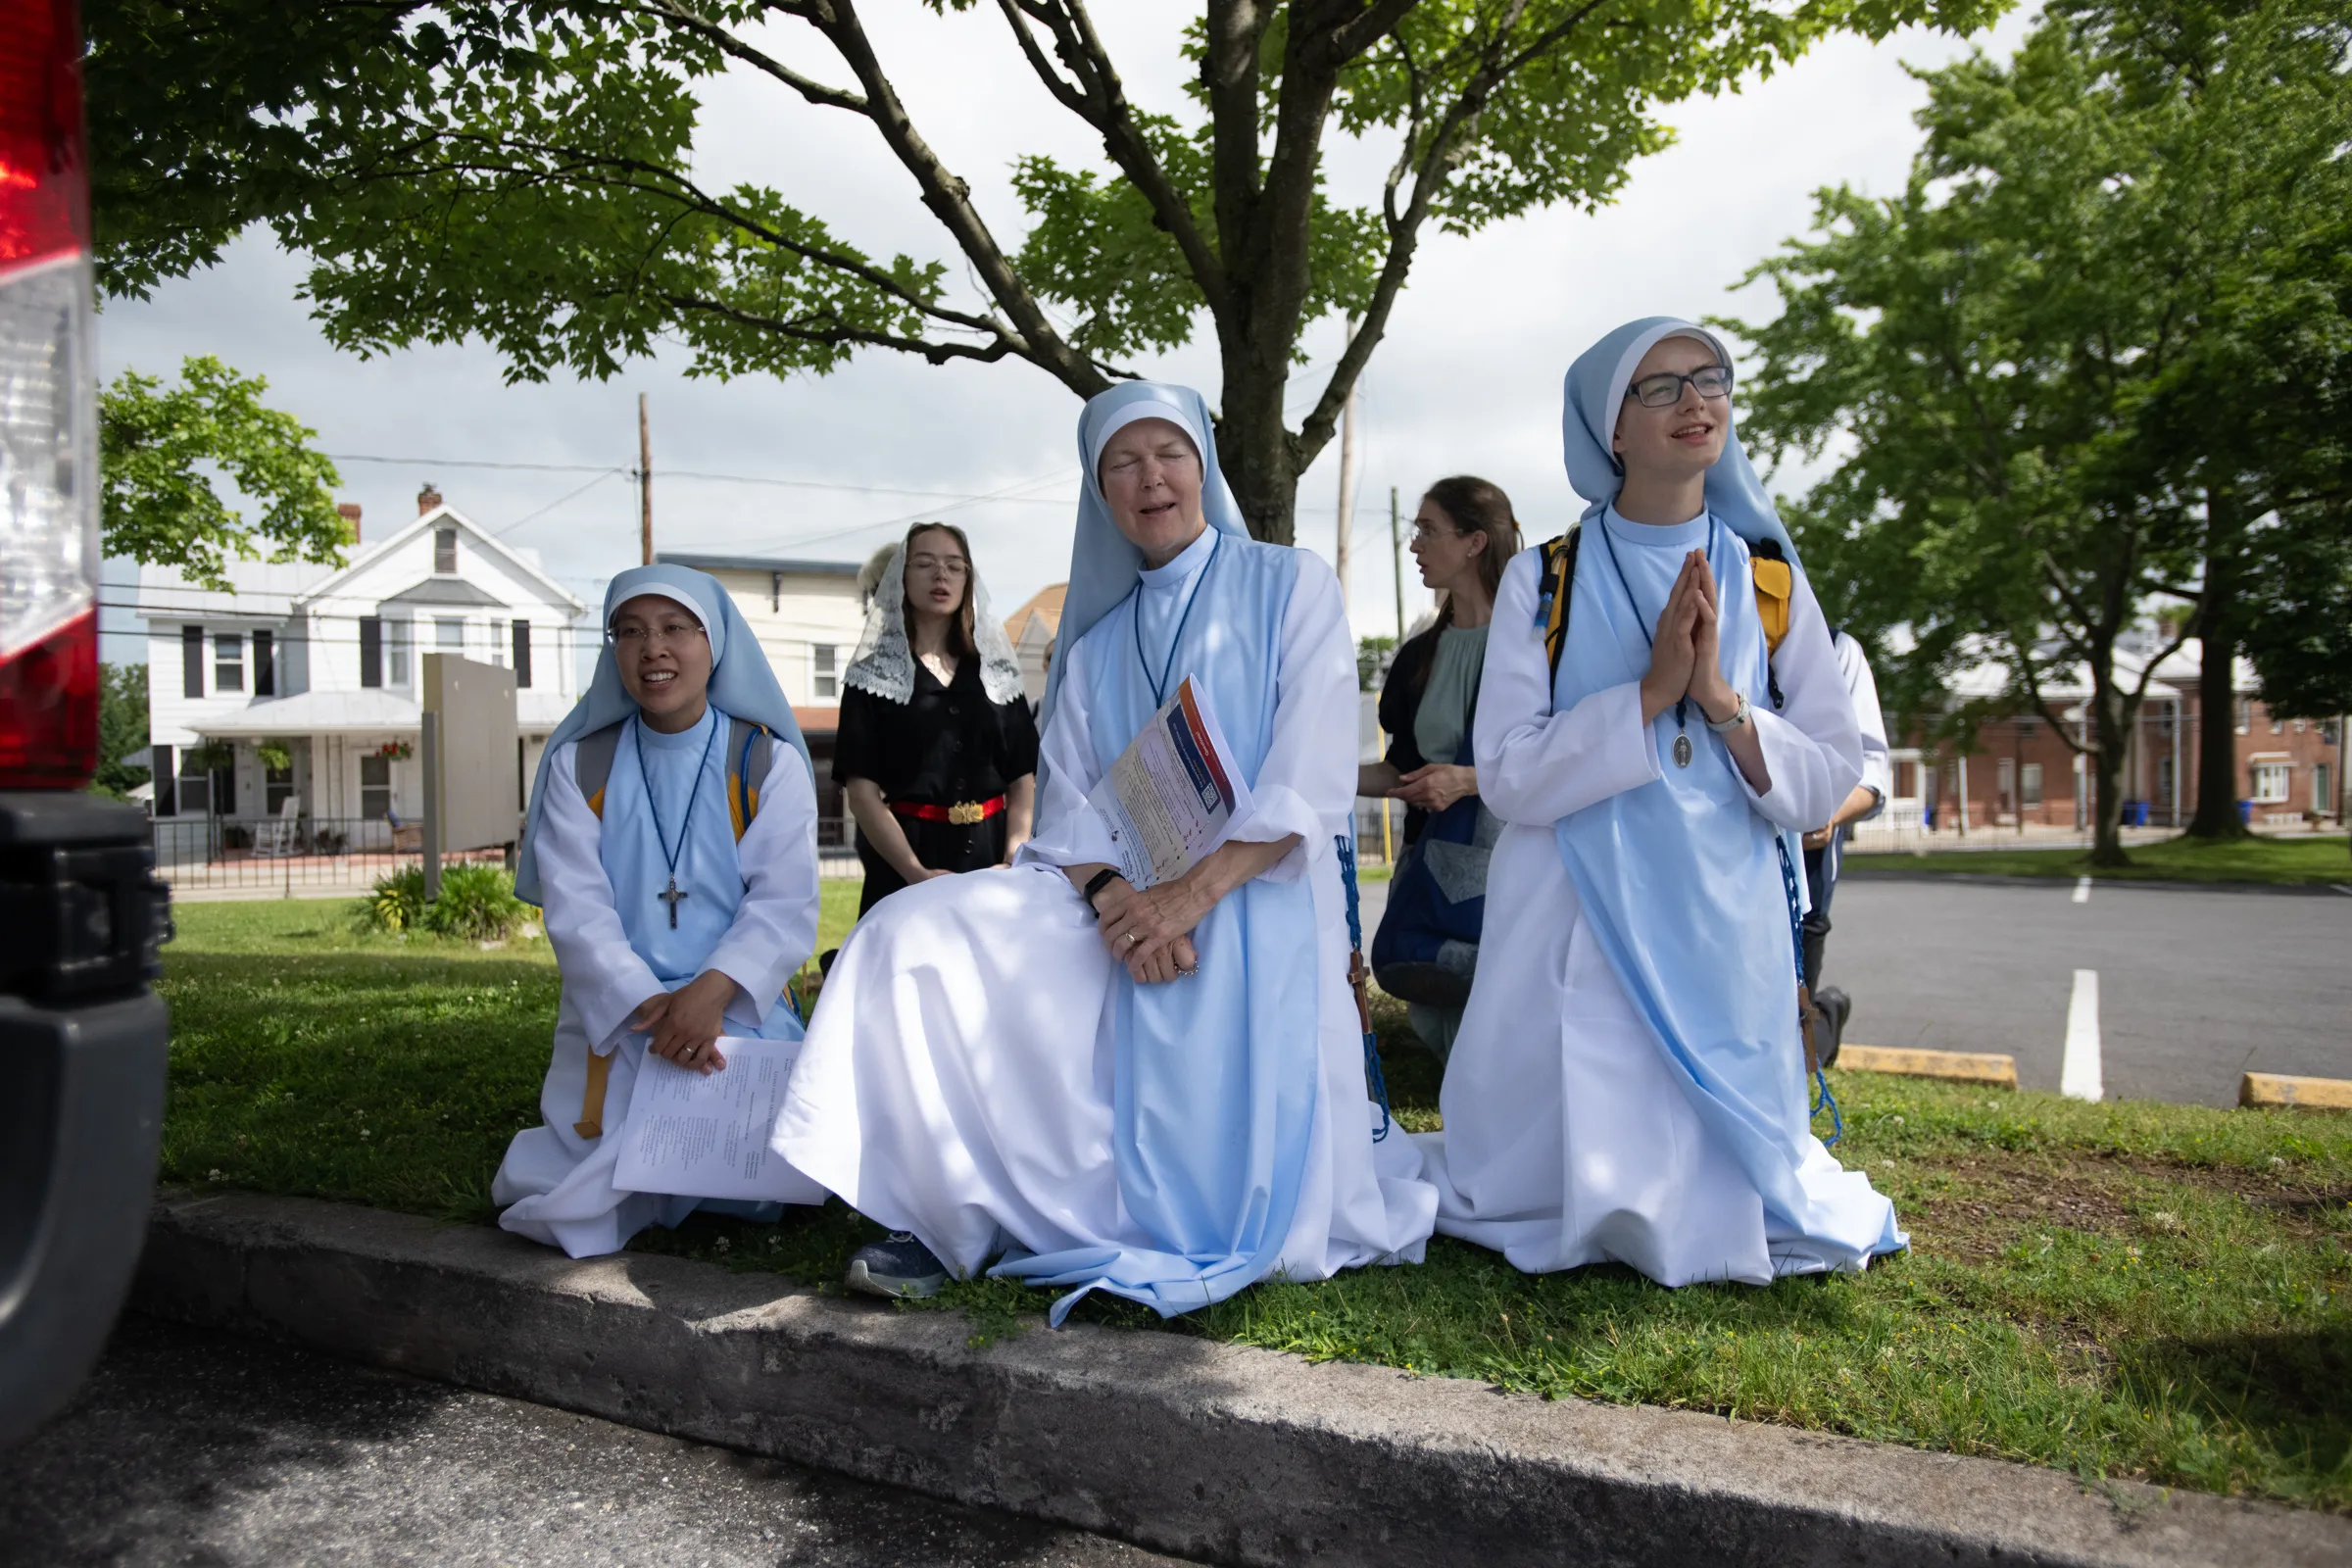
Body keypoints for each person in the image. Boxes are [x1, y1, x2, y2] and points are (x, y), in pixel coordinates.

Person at [773, 381, 1436, 1318]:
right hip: (1117, 904)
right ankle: (944, 1207)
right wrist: (1121, 900)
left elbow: (1310, 772)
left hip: (1258, 889)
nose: (1149, 478)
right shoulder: (1092, 649)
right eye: (1122, 463)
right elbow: (1070, 819)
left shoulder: (1291, 583)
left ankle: (1043, 1206)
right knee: (911, 927)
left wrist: (1188, 897)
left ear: (1201, 464)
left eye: (1167, 453)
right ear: (1100, 491)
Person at [1419, 318, 1905, 1286]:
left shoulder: (1768, 577)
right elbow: (1508, 773)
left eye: (1709, 380)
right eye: (1661, 388)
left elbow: (1825, 775)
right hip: (1574, 909)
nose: (1695, 402)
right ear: (1612, 431)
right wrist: (1646, 696)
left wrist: (1722, 702)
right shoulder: (1542, 577)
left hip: (1722, 911)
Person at [493, 565, 827, 1258]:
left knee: (773, 1165)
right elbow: (576, 908)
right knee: (588, 1169)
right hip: (620, 1012)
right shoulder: (579, 764)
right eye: (632, 632)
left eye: (676, 628)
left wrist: (709, 995)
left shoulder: (764, 761)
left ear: (716, 643)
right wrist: (647, 1001)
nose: (654, 650)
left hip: (735, 1006)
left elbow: (783, 900)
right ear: (612, 650)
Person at [1356, 477, 1520, 1061]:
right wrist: (1314, 772)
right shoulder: (1420, 656)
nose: (1414, 544)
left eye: (1427, 529)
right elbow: (1402, 771)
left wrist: (1471, 779)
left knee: (1513, 1009)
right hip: (1432, 867)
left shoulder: (1539, 645)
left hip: (1520, 866)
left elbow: (1568, 752)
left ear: (1475, 541)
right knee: (1444, 1002)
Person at [835, 523, 1040, 918]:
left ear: (968, 578)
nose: (941, 574)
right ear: (900, 577)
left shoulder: (994, 671)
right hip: (906, 866)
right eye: (924, 563)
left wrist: (1015, 855)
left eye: (955, 565)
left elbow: (1022, 777)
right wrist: (915, 872)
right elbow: (861, 792)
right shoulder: (870, 678)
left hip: (992, 863)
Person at [1800, 629, 1892, 1063]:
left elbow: (1873, 775)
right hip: (1722, 877)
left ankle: (1828, 1015)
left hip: (1806, 883)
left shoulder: (1837, 648)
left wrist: (1829, 813)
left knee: (1791, 1048)